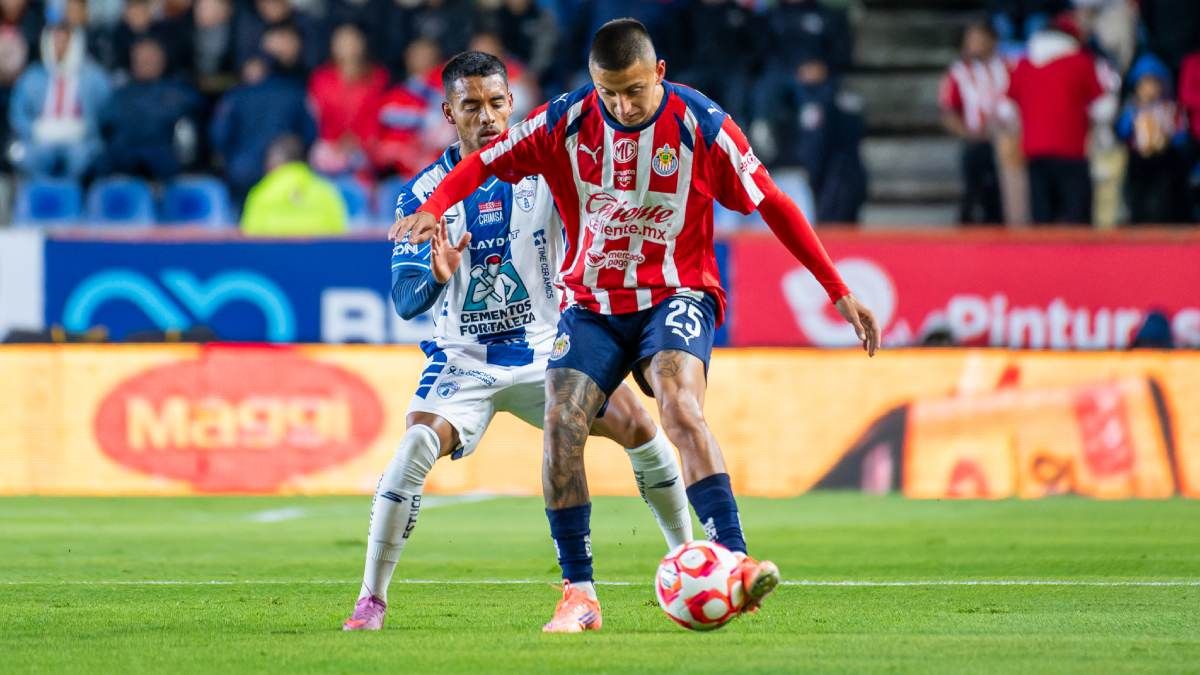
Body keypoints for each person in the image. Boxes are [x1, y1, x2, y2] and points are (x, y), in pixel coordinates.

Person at [390, 18, 879, 633]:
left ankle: (736, 561)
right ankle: (579, 594)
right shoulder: (566, 120)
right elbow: (484, 162)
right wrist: (434, 207)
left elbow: (775, 204)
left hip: (677, 292)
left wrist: (837, 289)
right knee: (561, 419)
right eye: (609, 93)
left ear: (660, 75)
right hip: (593, 303)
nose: (622, 105)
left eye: (634, 91)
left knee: (678, 407)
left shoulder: (702, 124)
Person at [342, 51, 692, 632]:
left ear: (513, 104)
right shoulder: (422, 194)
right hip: (463, 362)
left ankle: (686, 557)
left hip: (547, 351)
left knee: (640, 427)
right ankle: (371, 601)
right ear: (448, 113)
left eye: (498, 103)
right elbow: (405, 301)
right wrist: (435, 273)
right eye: (471, 106)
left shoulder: (551, 173)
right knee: (411, 452)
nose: (488, 117)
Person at [1004, 13, 1111, 225]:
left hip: (1034, 150)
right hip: (1071, 149)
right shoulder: (1081, 62)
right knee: (1076, 215)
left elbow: (1006, 109)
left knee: (1042, 216)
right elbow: (1104, 108)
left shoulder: (1024, 65)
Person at [8, 22, 110, 180]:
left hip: (80, 139)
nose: (60, 47)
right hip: (41, 137)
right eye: (55, 42)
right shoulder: (32, 76)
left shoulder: (94, 77)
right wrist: (34, 130)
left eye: (65, 41)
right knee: (29, 157)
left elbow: (105, 111)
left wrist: (87, 129)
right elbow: (17, 112)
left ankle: (72, 196)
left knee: (81, 158)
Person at [209, 54, 315, 203]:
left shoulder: (236, 96)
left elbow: (219, 136)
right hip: (285, 173)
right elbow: (310, 134)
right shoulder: (294, 92)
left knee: (246, 221)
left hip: (244, 174)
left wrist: (232, 160)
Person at [99, 37, 202, 180]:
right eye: (140, 58)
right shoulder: (121, 94)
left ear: (162, 60)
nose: (145, 62)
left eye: (150, 58)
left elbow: (191, 129)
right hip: (123, 162)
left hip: (164, 162)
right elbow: (106, 125)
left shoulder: (179, 93)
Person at [939, 21, 1008, 225]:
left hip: (1005, 141)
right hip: (975, 141)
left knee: (1000, 196)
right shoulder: (959, 72)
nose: (973, 44)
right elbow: (948, 110)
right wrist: (968, 134)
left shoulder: (1008, 67)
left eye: (978, 39)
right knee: (972, 191)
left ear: (992, 41)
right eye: (970, 40)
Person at [1115, 54, 1189, 224]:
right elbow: (1122, 131)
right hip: (1139, 162)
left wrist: (1170, 141)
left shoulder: (1170, 109)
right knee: (1137, 198)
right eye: (1145, 83)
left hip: (1164, 162)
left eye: (1154, 83)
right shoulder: (1132, 108)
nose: (1150, 88)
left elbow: (1181, 134)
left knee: (1163, 200)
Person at [240, 134, 347, 236]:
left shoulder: (261, 193)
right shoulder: (326, 192)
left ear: (274, 161)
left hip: (274, 255)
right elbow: (339, 236)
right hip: (318, 255)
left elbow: (249, 240)